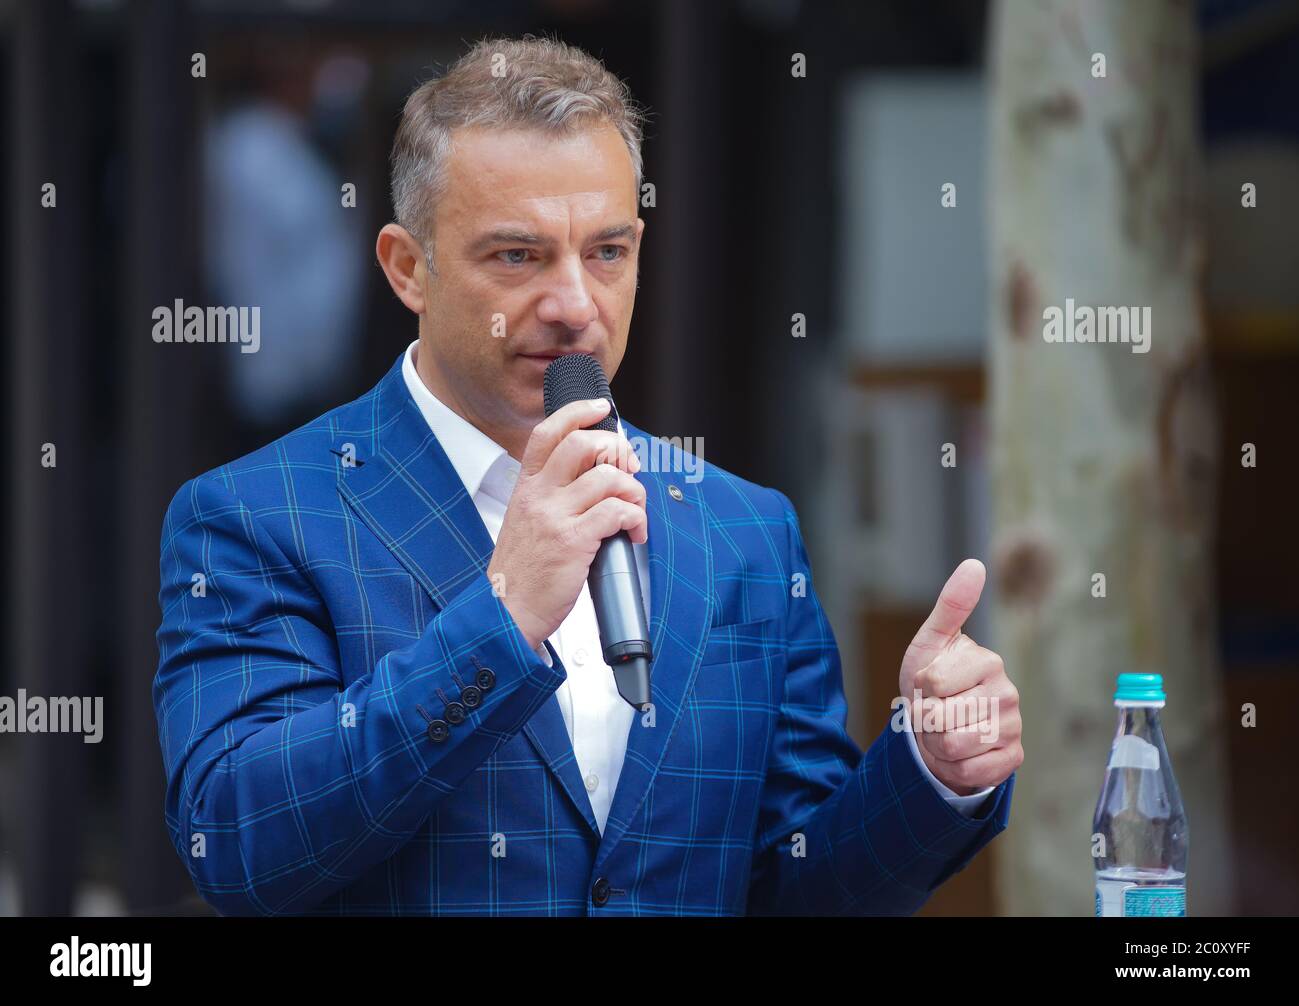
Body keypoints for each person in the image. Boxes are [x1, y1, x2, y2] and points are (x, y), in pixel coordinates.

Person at [154, 35, 1022, 916]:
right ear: (407, 268)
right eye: (517, 256)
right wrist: (501, 619)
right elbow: (235, 844)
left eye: (606, 252)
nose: (575, 305)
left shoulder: (745, 533)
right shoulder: (258, 516)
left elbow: (797, 888)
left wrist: (929, 771)